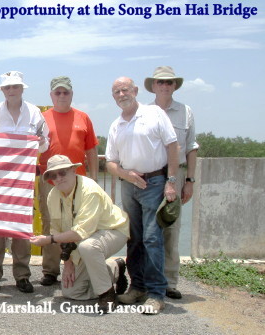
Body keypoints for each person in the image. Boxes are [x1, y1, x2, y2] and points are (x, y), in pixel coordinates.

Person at [106, 77, 179, 315]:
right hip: (130, 185)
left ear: (135, 91)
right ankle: (137, 287)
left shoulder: (155, 113)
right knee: (134, 238)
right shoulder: (116, 125)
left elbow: (172, 146)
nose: (121, 94)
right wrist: (126, 174)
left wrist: (171, 181)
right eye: (116, 91)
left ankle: (156, 293)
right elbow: (110, 163)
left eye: (125, 89)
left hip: (155, 182)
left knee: (152, 238)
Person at [30, 155, 129, 313]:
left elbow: (79, 233)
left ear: (73, 170)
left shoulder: (89, 190)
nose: (58, 178)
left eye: (62, 172)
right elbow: (58, 231)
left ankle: (106, 294)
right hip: (84, 240)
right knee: (71, 292)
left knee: (88, 247)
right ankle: (114, 268)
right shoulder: (53, 195)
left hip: (113, 231)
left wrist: (48, 240)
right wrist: (68, 263)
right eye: (53, 175)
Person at [0, 70, 49, 294]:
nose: (11, 90)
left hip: (25, 180)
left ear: (22, 89)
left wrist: (38, 143)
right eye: (7, 87)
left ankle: (22, 275)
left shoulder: (35, 113)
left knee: (21, 229)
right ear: (2, 90)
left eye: (15, 87)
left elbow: (45, 143)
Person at [37, 76, 100, 287]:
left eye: (65, 92)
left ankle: (81, 267)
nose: (62, 96)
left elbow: (91, 150)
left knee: (81, 224)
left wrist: (94, 179)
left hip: (79, 179)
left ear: (71, 94)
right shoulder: (41, 118)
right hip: (50, 180)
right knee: (51, 223)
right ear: (51, 95)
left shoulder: (84, 118)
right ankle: (50, 270)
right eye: (58, 92)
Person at [145, 66, 199, 300]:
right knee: (146, 233)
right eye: (160, 82)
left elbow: (191, 148)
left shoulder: (185, 112)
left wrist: (189, 181)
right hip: (148, 177)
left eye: (169, 82)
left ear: (174, 85)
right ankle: (145, 281)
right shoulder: (144, 111)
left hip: (174, 179)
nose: (165, 86)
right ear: (153, 86)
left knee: (171, 231)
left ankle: (169, 282)